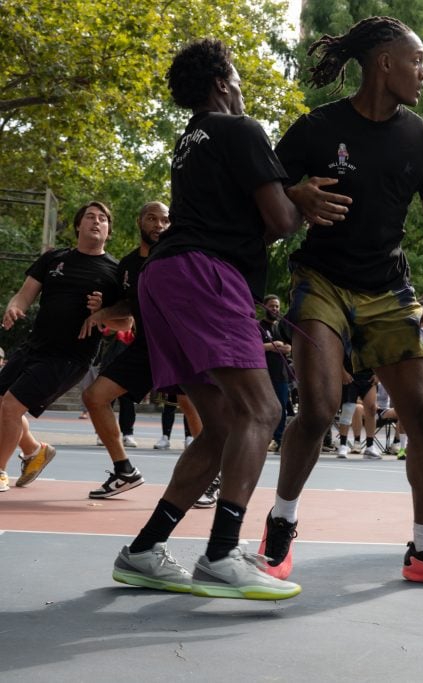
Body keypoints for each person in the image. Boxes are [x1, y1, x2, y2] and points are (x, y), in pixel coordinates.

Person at [264, 16, 423, 590]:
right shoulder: (316, 128)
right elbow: (261, 194)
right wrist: (294, 191)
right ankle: (281, 524)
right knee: (315, 410)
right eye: (417, 61)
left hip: (389, 289)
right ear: (385, 63)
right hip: (322, 280)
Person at [110, 38, 324, 600]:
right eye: (237, 74)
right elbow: (277, 221)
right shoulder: (241, 128)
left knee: (225, 423)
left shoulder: (190, 140)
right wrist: (299, 198)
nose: (243, 84)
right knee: (264, 408)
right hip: (207, 273)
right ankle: (222, 553)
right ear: (222, 81)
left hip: (166, 276)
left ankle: (143, 551)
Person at [0, 201, 121, 493]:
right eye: (90, 217)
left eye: (102, 219)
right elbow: (23, 295)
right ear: (78, 225)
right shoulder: (54, 259)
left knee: (10, 406)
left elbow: (126, 324)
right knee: (2, 407)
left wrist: (104, 311)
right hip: (34, 347)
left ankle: (0, 472)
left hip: (69, 357)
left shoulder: (115, 272)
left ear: (108, 230)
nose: (96, 221)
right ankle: (35, 452)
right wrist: (14, 308)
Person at [79, 201, 169, 498]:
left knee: (196, 411)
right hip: (145, 346)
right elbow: (127, 312)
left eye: (164, 220)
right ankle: (124, 470)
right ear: (139, 221)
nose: (158, 225)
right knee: (94, 397)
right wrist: (101, 313)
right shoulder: (128, 265)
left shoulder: (176, 255)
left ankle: (211, 480)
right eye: (152, 218)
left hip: (181, 344)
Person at [260, 294, 292, 452]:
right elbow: (252, 347)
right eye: (272, 306)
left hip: (281, 374)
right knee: (263, 408)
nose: (275, 309)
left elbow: (290, 347)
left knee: (281, 408)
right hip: (263, 374)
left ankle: (278, 439)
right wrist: (270, 346)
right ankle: (263, 438)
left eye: (277, 306)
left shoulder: (282, 327)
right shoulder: (258, 326)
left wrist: (286, 347)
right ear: (264, 307)